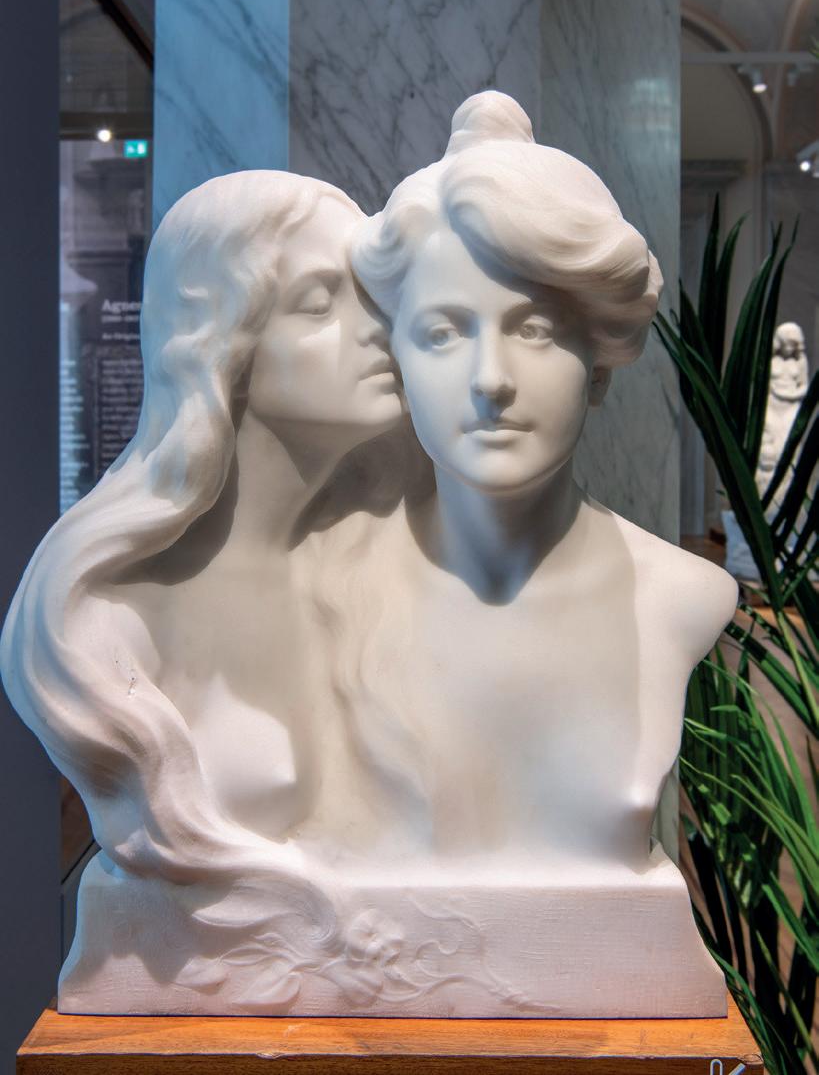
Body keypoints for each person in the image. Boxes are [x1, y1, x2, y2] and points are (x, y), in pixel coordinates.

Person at [337, 91, 740, 871]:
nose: (490, 379)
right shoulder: (330, 600)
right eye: (443, 332)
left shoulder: (679, 598)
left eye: (533, 329)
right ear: (397, 364)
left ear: (599, 365)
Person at [0, 169, 402, 887]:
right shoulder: (105, 616)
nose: (380, 331)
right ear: (221, 343)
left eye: (373, 299)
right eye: (319, 304)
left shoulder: (391, 570)